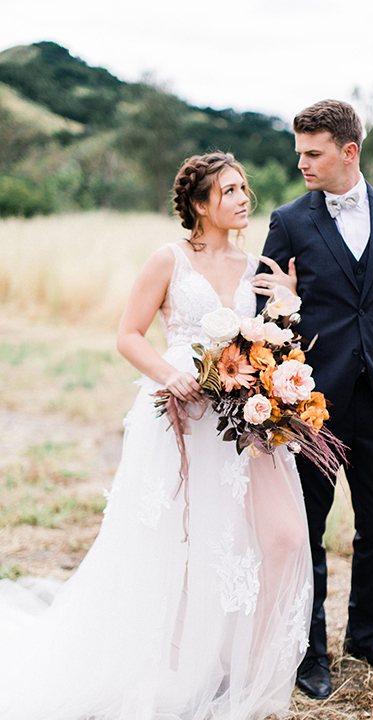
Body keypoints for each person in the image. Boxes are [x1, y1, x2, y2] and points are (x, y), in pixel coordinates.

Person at [0, 152, 313, 720]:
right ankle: (178, 669)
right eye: (231, 191)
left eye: (245, 188)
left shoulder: (254, 268)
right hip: (180, 416)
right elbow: (128, 335)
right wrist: (172, 375)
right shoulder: (167, 260)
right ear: (200, 205)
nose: (245, 198)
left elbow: (270, 341)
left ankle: (246, 671)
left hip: (242, 421)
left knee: (282, 537)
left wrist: (286, 303)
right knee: (181, 545)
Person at [254, 100, 373, 699]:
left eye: (312, 152)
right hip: (312, 410)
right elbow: (262, 318)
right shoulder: (288, 221)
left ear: (348, 152)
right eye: (298, 151)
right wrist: (282, 396)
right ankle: (310, 651)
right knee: (308, 530)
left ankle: (368, 638)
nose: (300, 161)